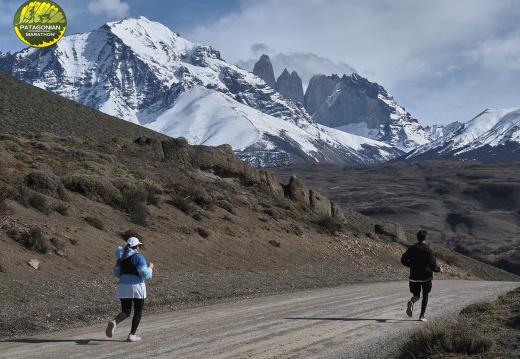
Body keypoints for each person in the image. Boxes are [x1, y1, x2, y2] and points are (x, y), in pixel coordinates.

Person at [106, 237, 154, 342]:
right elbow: (144, 274)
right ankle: (132, 335)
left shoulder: (121, 259)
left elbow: (116, 274)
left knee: (126, 311)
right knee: (138, 311)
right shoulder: (138, 257)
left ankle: (114, 322)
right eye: (139, 246)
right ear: (137, 246)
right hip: (136, 286)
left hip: (123, 286)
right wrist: (150, 267)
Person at [400, 229, 443, 321]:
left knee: (416, 295)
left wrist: (411, 265)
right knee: (425, 295)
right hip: (426, 278)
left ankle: (412, 301)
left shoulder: (412, 249)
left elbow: (403, 260)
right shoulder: (429, 250)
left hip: (414, 277)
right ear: (426, 238)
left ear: (417, 237)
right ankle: (421, 316)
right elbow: (432, 266)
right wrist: (439, 269)